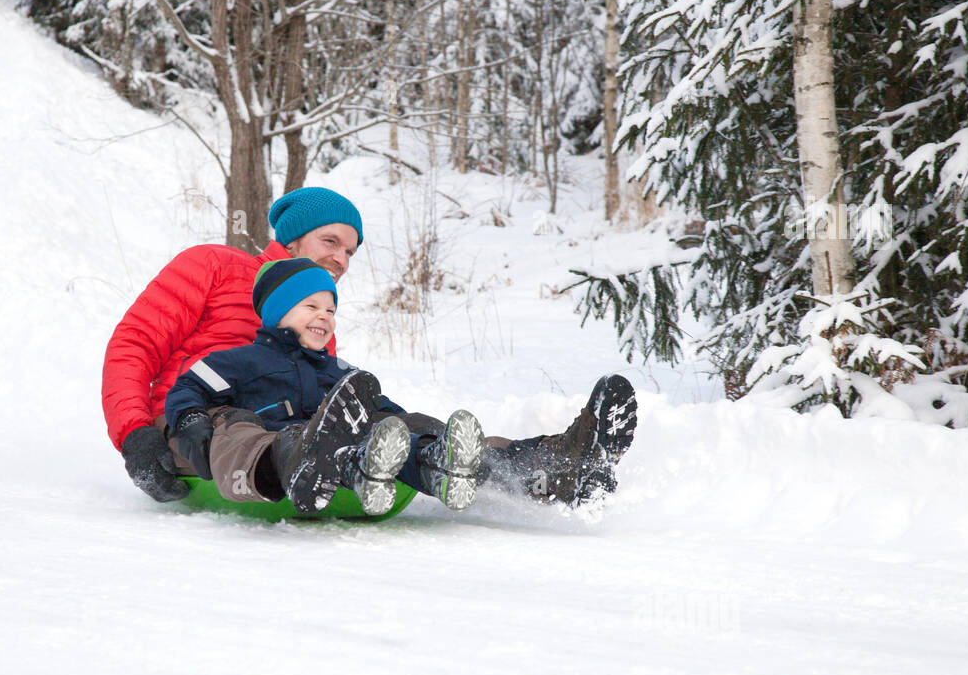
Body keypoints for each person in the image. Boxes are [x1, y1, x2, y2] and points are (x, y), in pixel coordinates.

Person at [102, 185, 637, 508]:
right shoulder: (213, 266)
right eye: (329, 242)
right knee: (240, 425)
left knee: (400, 425)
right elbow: (134, 345)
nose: (341, 259)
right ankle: (300, 459)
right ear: (291, 242)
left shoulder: (316, 318)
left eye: (351, 250)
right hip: (199, 428)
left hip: (290, 429)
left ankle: (543, 466)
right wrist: (135, 437)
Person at [164, 258, 486, 514]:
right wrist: (190, 419)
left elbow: (380, 406)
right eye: (312, 307)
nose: (325, 317)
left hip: (337, 449)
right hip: (276, 451)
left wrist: (407, 426)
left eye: (331, 310)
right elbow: (188, 387)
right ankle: (332, 467)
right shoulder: (238, 361)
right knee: (235, 425)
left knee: (384, 422)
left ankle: (431, 463)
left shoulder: (339, 370)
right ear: (279, 311)